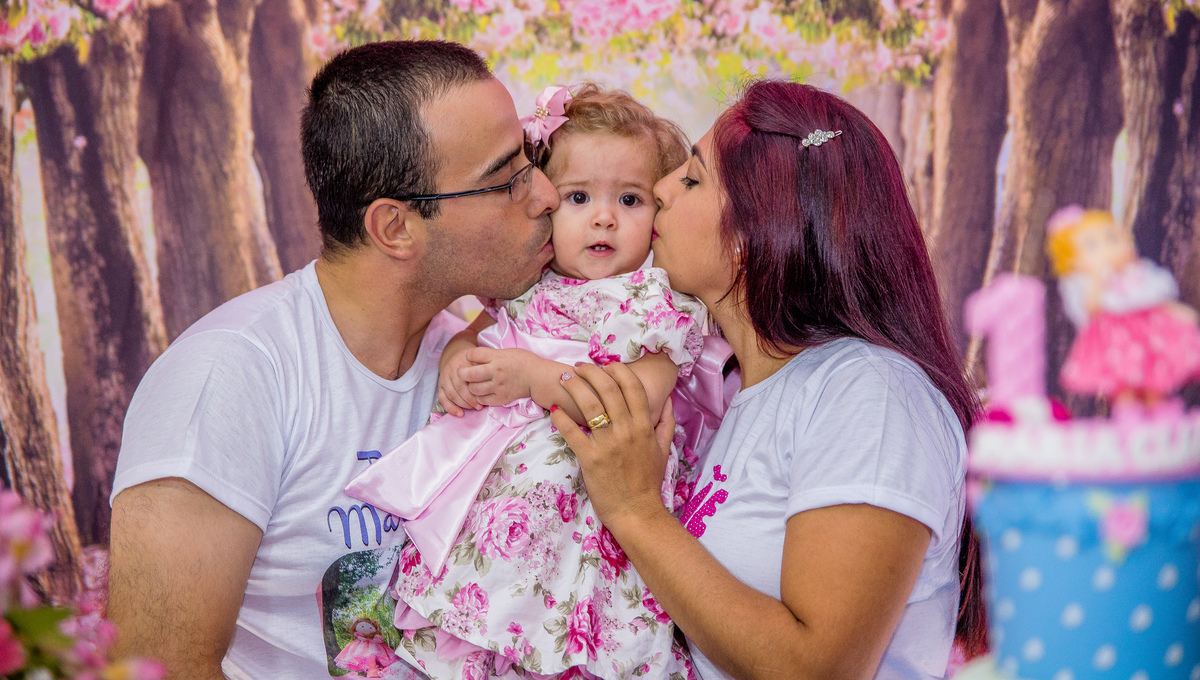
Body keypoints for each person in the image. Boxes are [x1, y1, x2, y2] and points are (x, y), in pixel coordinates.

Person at [106, 40, 560, 679]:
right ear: (395, 227)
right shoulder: (231, 377)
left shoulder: (488, 362)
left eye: (533, 158)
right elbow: (154, 668)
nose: (547, 194)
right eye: (507, 179)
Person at [548, 80, 988, 680]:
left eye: (692, 179)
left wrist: (635, 511)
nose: (661, 189)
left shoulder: (871, 393)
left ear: (749, 235)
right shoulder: (729, 393)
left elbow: (817, 669)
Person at [347, 83, 716, 679]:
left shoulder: (656, 303)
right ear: (545, 203)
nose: (603, 217)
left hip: (588, 520)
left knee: (565, 640)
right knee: (484, 628)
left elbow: (639, 401)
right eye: (578, 197)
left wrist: (531, 377)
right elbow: (472, 335)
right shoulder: (525, 283)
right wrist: (458, 363)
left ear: (658, 213)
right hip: (500, 511)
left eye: (629, 199)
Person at [1045, 205, 1200, 409]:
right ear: (1074, 259)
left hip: (1149, 336)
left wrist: (1175, 311)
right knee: (1122, 379)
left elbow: (1157, 297)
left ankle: (1158, 405)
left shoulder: (1139, 273)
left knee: (1154, 372)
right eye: (1092, 245)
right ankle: (1127, 409)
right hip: (1114, 342)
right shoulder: (1085, 283)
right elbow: (1089, 308)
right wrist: (1097, 278)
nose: (1107, 248)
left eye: (1113, 238)